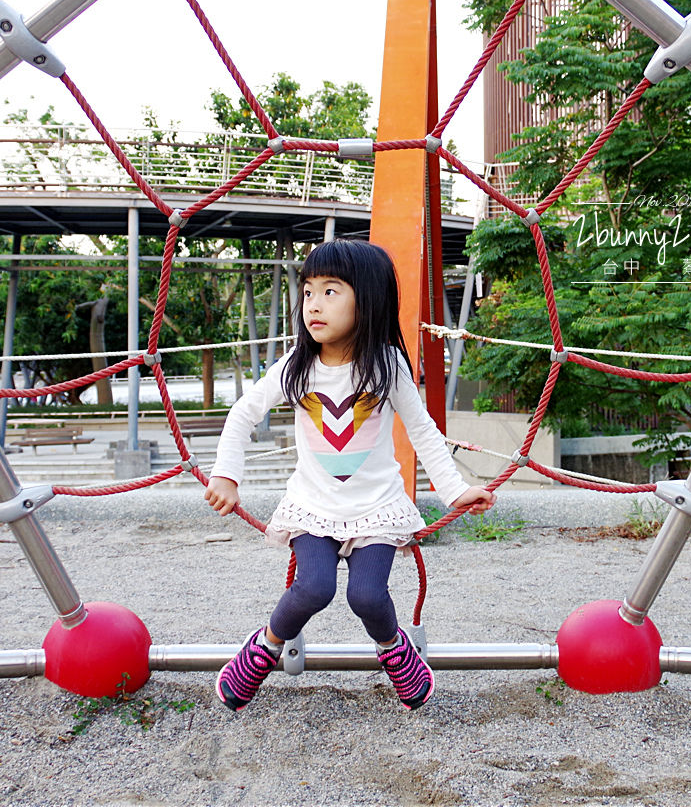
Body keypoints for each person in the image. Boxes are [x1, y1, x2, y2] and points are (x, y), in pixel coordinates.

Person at [205, 239, 493, 711]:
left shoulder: (385, 365)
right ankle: (266, 647)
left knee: (367, 595)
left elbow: (422, 429)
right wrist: (226, 475)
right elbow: (243, 413)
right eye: (310, 291)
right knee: (313, 588)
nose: (314, 304)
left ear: (368, 299)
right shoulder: (297, 367)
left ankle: (393, 650)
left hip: (376, 509)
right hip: (314, 506)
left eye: (331, 291)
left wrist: (455, 491)